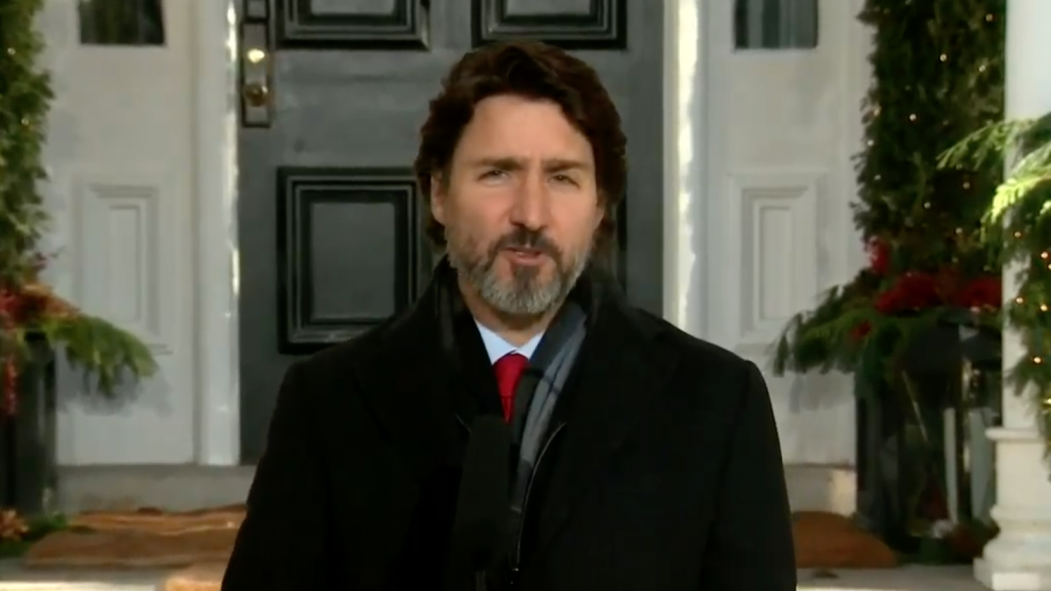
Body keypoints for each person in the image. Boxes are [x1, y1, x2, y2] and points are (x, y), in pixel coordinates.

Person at [221, 40, 796, 591]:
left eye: (563, 177)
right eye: (498, 173)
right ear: (439, 193)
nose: (531, 214)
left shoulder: (716, 403)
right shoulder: (329, 404)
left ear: (599, 205)